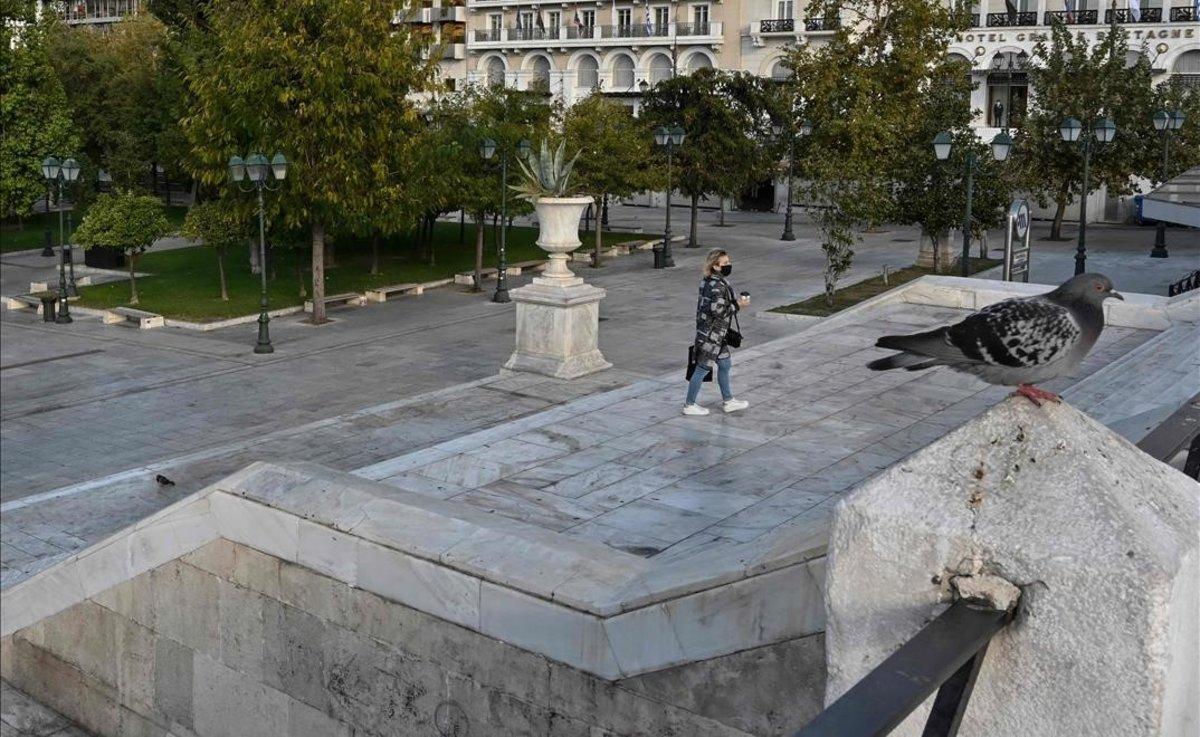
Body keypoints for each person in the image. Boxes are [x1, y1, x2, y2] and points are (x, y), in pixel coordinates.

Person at [684, 249, 750, 416]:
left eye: (729, 262)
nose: (729, 265)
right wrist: (738, 306)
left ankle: (728, 401)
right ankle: (689, 405)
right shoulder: (717, 286)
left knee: (725, 363)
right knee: (702, 368)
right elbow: (717, 310)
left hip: (716, 334)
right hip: (711, 335)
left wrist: (735, 302)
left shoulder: (708, 281)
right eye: (725, 263)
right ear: (716, 266)